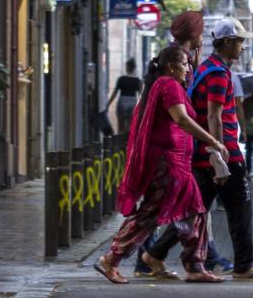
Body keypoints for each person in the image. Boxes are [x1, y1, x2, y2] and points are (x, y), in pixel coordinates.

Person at [144, 18, 253, 281]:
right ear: (226, 42)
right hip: (222, 152)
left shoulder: (206, 68)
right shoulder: (218, 73)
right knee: (240, 209)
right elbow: (214, 116)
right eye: (239, 42)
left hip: (202, 153)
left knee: (195, 209)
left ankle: (155, 253)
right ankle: (244, 266)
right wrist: (219, 156)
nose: (242, 47)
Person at [95, 47, 230, 285]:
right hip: (168, 164)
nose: (189, 69)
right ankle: (111, 258)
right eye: (185, 65)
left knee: (195, 211)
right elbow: (181, 119)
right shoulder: (168, 85)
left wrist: (193, 61)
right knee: (151, 213)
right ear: (171, 67)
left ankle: (195, 265)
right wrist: (213, 142)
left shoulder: (168, 84)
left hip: (177, 163)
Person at [106, 58, 143, 135]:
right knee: (130, 126)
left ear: (128, 67)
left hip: (122, 102)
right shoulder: (137, 80)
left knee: (121, 127)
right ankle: (127, 144)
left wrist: (108, 104)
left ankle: (120, 144)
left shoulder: (121, 79)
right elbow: (141, 95)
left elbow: (115, 93)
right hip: (133, 103)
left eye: (126, 66)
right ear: (134, 68)